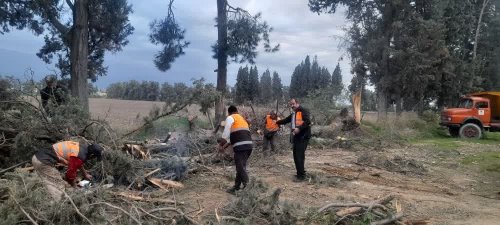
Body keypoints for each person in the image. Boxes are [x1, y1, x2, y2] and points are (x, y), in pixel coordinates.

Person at [31, 140, 103, 201]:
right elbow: (70, 174)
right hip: (43, 161)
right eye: (94, 157)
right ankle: (60, 204)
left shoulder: (82, 148)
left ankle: (67, 195)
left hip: (40, 157)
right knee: (58, 185)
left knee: (60, 182)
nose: (93, 158)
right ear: (92, 155)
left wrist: (85, 174)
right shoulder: (80, 155)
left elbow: (78, 163)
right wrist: (74, 186)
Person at [219, 105, 253, 194]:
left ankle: (249, 188)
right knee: (240, 167)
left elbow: (226, 134)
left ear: (229, 112)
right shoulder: (241, 119)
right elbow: (230, 139)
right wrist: (224, 147)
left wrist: (220, 145)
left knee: (240, 167)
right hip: (248, 146)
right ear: (236, 111)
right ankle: (236, 187)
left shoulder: (230, 117)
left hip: (241, 146)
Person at [277, 98, 312, 182]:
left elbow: (308, 121)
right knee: (296, 155)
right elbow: (286, 120)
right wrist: (277, 122)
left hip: (303, 136)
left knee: (299, 156)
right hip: (297, 137)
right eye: (291, 105)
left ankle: (301, 176)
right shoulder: (294, 113)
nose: (292, 106)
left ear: (297, 103)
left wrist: (299, 129)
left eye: (293, 104)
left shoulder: (303, 110)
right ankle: (299, 173)